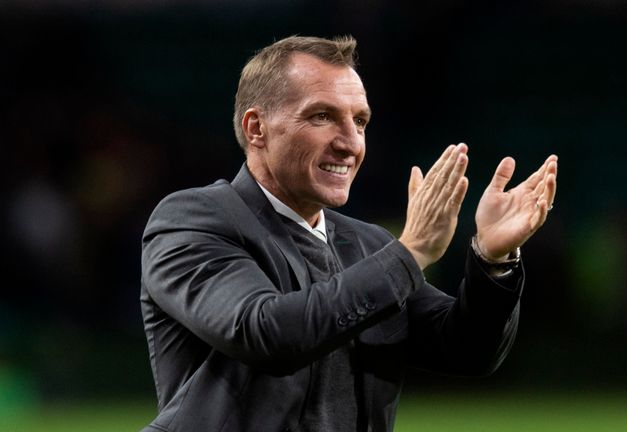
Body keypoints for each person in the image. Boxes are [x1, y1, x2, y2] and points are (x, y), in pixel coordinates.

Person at [140, 35, 557, 432]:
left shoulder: (366, 245)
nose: (350, 143)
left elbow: (468, 351)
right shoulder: (192, 220)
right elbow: (266, 332)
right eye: (323, 116)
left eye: (360, 121)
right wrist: (409, 255)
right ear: (256, 129)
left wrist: (492, 259)